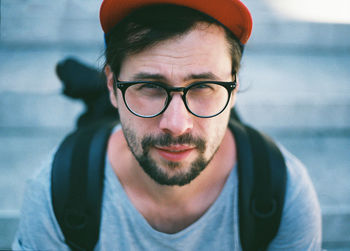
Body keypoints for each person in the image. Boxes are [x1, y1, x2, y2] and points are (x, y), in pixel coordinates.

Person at [13, 0, 322, 250]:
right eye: (150, 85)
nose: (176, 125)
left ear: (235, 87)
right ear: (111, 84)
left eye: (203, 85)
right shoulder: (57, 193)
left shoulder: (282, 192)